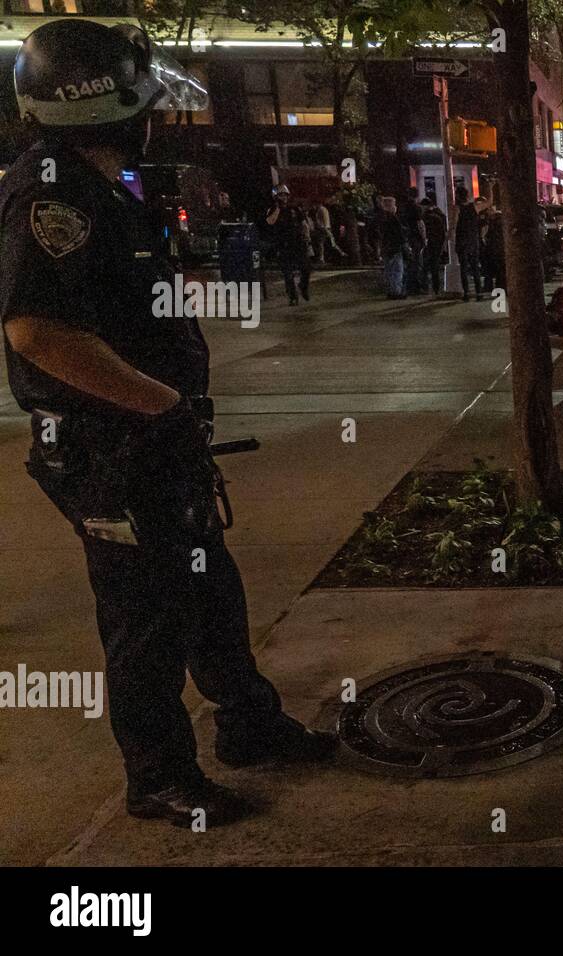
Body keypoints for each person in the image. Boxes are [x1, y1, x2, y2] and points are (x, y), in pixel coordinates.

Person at [0, 19, 335, 827]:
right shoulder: (51, 193)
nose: (151, 118)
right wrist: (161, 404)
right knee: (145, 618)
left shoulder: (96, 184)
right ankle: (157, 776)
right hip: (109, 452)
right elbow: (35, 330)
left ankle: (249, 725)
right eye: (141, 103)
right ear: (101, 107)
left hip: (151, 446)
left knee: (208, 589)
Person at [265, 184, 311, 304]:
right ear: (276, 197)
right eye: (280, 195)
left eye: (285, 195)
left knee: (306, 268)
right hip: (283, 244)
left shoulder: (294, 209)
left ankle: (303, 286)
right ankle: (293, 296)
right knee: (288, 273)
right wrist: (278, 208)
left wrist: (307, 238)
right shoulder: (272, 210)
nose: (283, 197)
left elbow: (304, 224)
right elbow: (270, 222)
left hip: (298, 242)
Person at [454, 186, 482, 302]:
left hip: (462, 241)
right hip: (473, 240)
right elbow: (489, 202)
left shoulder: (457, 208)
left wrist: (451, 235)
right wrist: (490, 187)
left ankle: (466, 292)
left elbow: (454, 224)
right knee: (475, 267)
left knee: (464, 268)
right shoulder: (474, 207)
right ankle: (478, 292)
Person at [398, 187, 426, 295]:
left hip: (407, 237)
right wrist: (423, 238)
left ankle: (408, 285)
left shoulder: (403, 207)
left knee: (408, 262)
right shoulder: (416, 208)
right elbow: (420, 224)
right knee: (417, 262)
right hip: (415, 237)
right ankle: (416, 286)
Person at [378, 195, 407, 299]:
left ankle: (391, 290)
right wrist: (404, 244)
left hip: (386, 247)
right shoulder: (393, 218)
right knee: (397, 270)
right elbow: (398, 234)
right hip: (394, 248)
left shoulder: (381, 218)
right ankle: (396, 292)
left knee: (389, 270)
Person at [420, 198, 448, 295]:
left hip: (429, 243)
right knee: (434, 266)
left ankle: (425, 287)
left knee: (425, 266)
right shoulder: (440, 215)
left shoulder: (426, 217)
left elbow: (424, 230)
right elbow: (443, 231)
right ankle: (436, 288)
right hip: (438, 243)